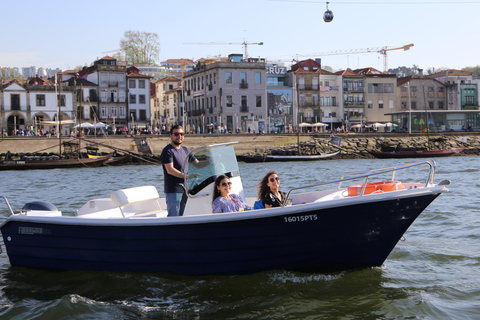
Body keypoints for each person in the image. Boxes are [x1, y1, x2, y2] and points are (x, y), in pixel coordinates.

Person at [161, 125, 206, 217]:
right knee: (174, 217)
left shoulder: (185, 150)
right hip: (173, 190)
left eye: (181, 134)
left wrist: (212, 161)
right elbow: (170, 170)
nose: (179, 136)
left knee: (183, 216)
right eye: (176, 134)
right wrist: (188, 176)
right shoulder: (167, 151)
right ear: (170, 136)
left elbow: (198, 164)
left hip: (186, 190)